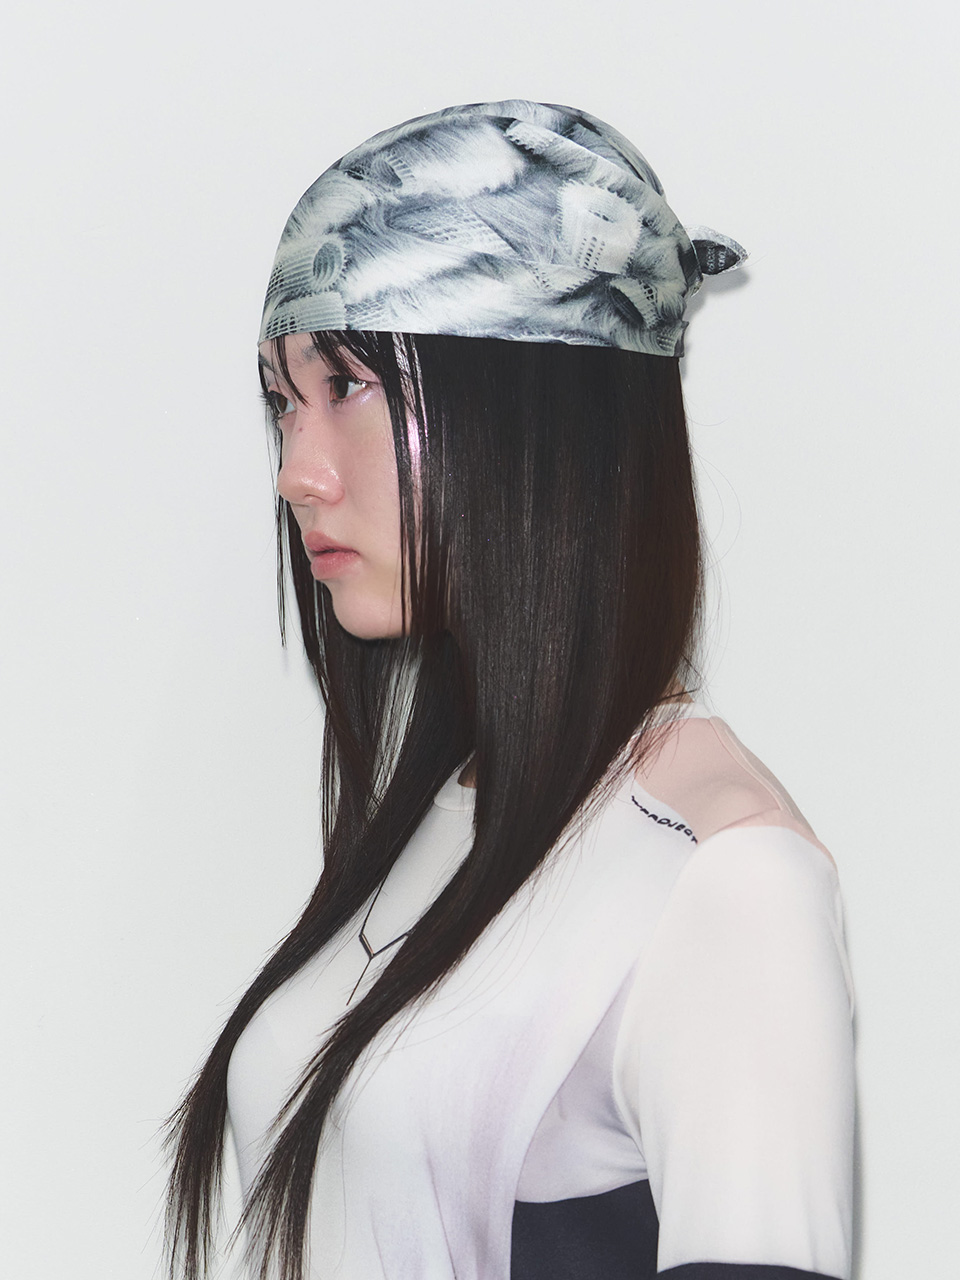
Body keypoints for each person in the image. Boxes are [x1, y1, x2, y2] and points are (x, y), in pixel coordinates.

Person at [164, 100, 855, 1280]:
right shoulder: (451, 808)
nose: (296, 472)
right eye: (284, 399)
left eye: (349, 386)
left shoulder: (723, 878)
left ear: (535, 406)